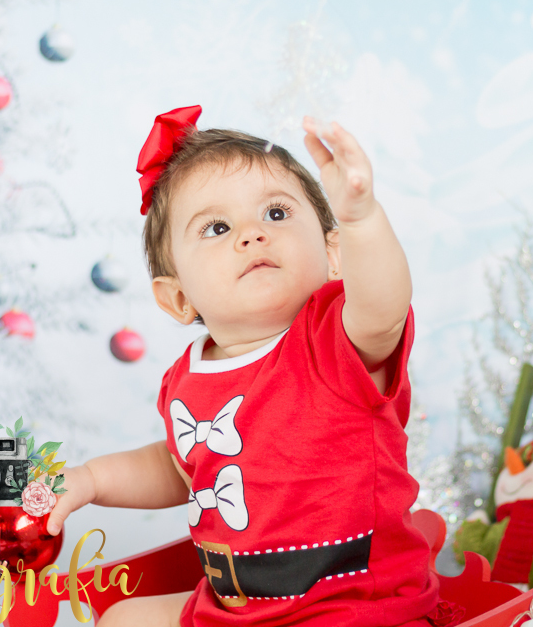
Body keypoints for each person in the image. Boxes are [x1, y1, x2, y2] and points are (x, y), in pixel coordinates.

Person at [46, 106, 443, 627]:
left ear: (333, 254)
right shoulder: (186, 379)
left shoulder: (336, 339)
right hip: (237, 607)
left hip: (352, 609)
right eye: (216, 227)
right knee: (121, 619)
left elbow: (383, 309)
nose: (252, 234)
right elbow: (179, 464)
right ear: (178, 298)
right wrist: (92, 480)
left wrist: (361, 219)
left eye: (276, 214)